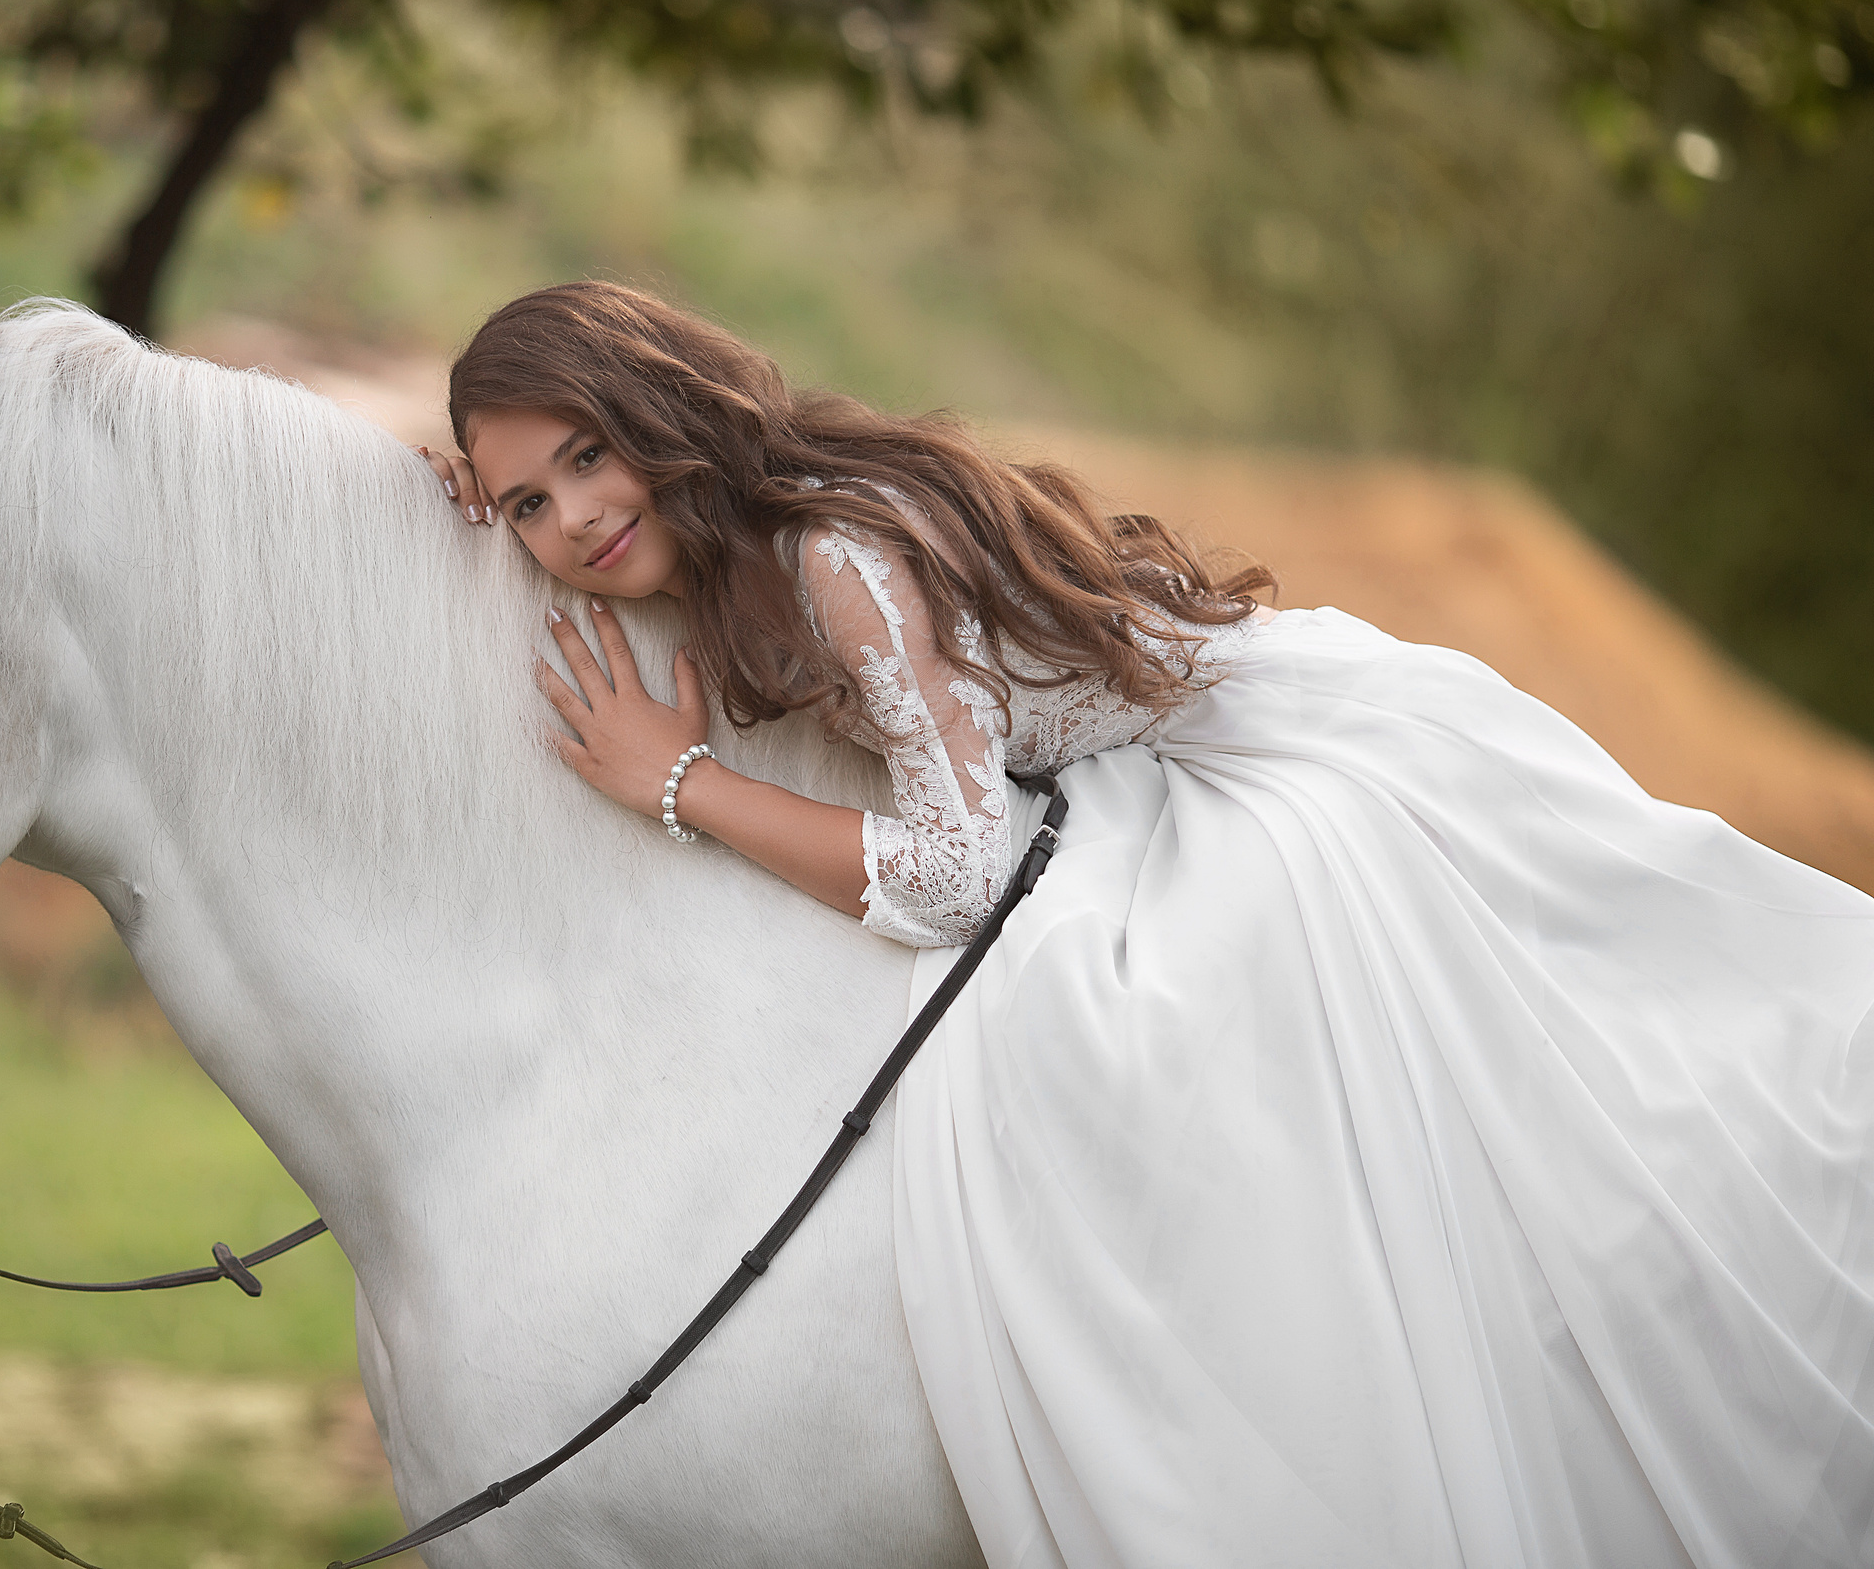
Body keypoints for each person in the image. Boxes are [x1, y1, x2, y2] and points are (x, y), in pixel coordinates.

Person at [417, 280, 1874, 1569]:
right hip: (1117, 783)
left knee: (1189, 1069)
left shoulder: (834, 559)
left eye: (588, 455)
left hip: (1261, 779)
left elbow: (956, 877)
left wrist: (680, 784)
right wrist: (441, 516)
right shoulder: (736, 544)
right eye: (526, 503)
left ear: (661, 410)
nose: (574, 518)